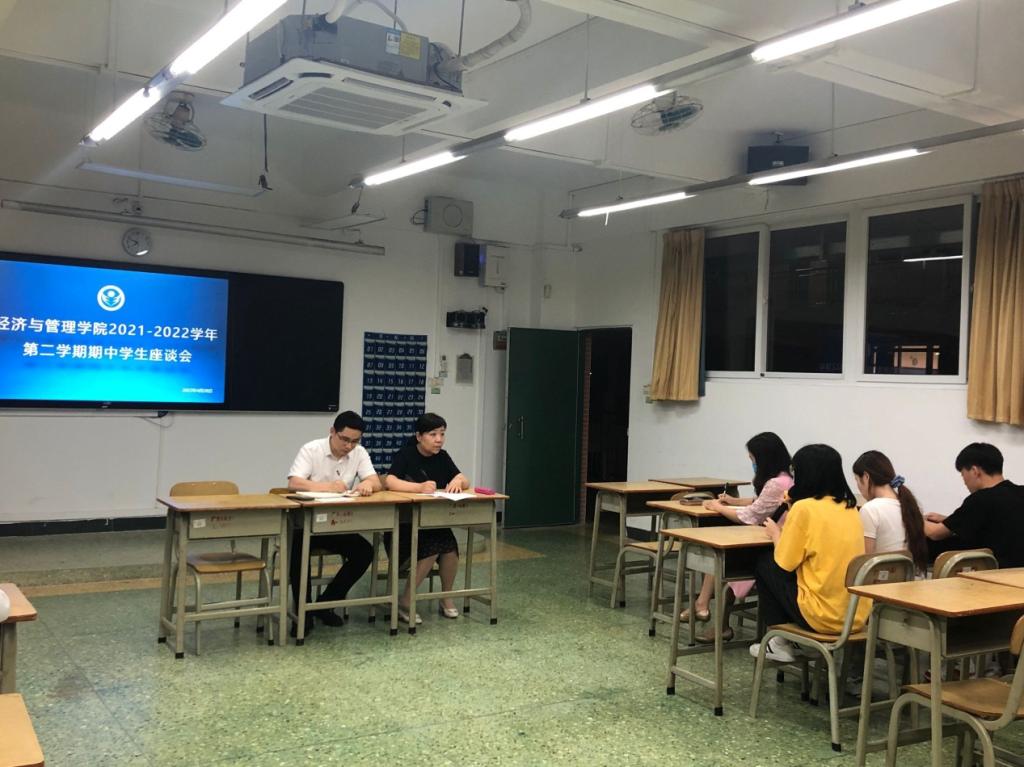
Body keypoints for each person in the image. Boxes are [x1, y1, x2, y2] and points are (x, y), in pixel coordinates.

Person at [749, 444, 870, 663]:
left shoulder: (804, 508)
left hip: (821, 616)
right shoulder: (850, 507)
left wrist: (776, 534)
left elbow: (784, 563)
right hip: (856, 616)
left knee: (765, 563)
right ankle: (795, 642)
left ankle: (779, 641)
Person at [684, 432, 793, 642]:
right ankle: (703, 606)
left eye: (753, 459)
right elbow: (761, 503)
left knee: (722, 558)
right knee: (721, 554)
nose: (753, 464)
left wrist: (717, 506)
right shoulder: (786, 478)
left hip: (770, 545)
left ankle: (708, 612)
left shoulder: (776, 483)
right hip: (770, 540)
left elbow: (750, 516)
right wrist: (734, 502)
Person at [287, 410, 379, 635]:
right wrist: (327, 487)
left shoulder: (359, 452)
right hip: (305, 524)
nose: (349, 446)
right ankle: (303, 612)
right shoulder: (312, 449)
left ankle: (325, 604)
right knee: (298, 552)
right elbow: (294, 482)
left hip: (337, 524)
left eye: (355, 441)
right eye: (344, 439)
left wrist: (368, 484)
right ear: (332, 432)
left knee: (364, 552)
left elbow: (375, 480)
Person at [385, 413, 470, 624]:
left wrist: (458, 481)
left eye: (442, 434)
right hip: (404, 526)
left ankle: (445, 597)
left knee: (450, 547)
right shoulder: (405, 455)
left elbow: (463, 478)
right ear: (419, 436)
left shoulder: (443, 456)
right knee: (433, 546)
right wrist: (418, 487)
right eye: (433, 434)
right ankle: (405, 601)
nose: (439, 439)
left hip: (433, 523)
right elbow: (390, 481)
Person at [923, 442, 1024, 568]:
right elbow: (998, 522)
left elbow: (935, 533)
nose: (964, 481)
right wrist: (948, 520)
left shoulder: (981, 499)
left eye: (963, 474)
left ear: (974, 471)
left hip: (995, 573)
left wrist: (913, 517)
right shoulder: (1020, 492)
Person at [852, 450, 929, 573]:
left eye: (857, 480)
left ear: (866, 477)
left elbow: (864, 563)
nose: (858, 487)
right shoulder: (910, 506)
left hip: (879, 582)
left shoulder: (870, 509)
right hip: (909, 581)